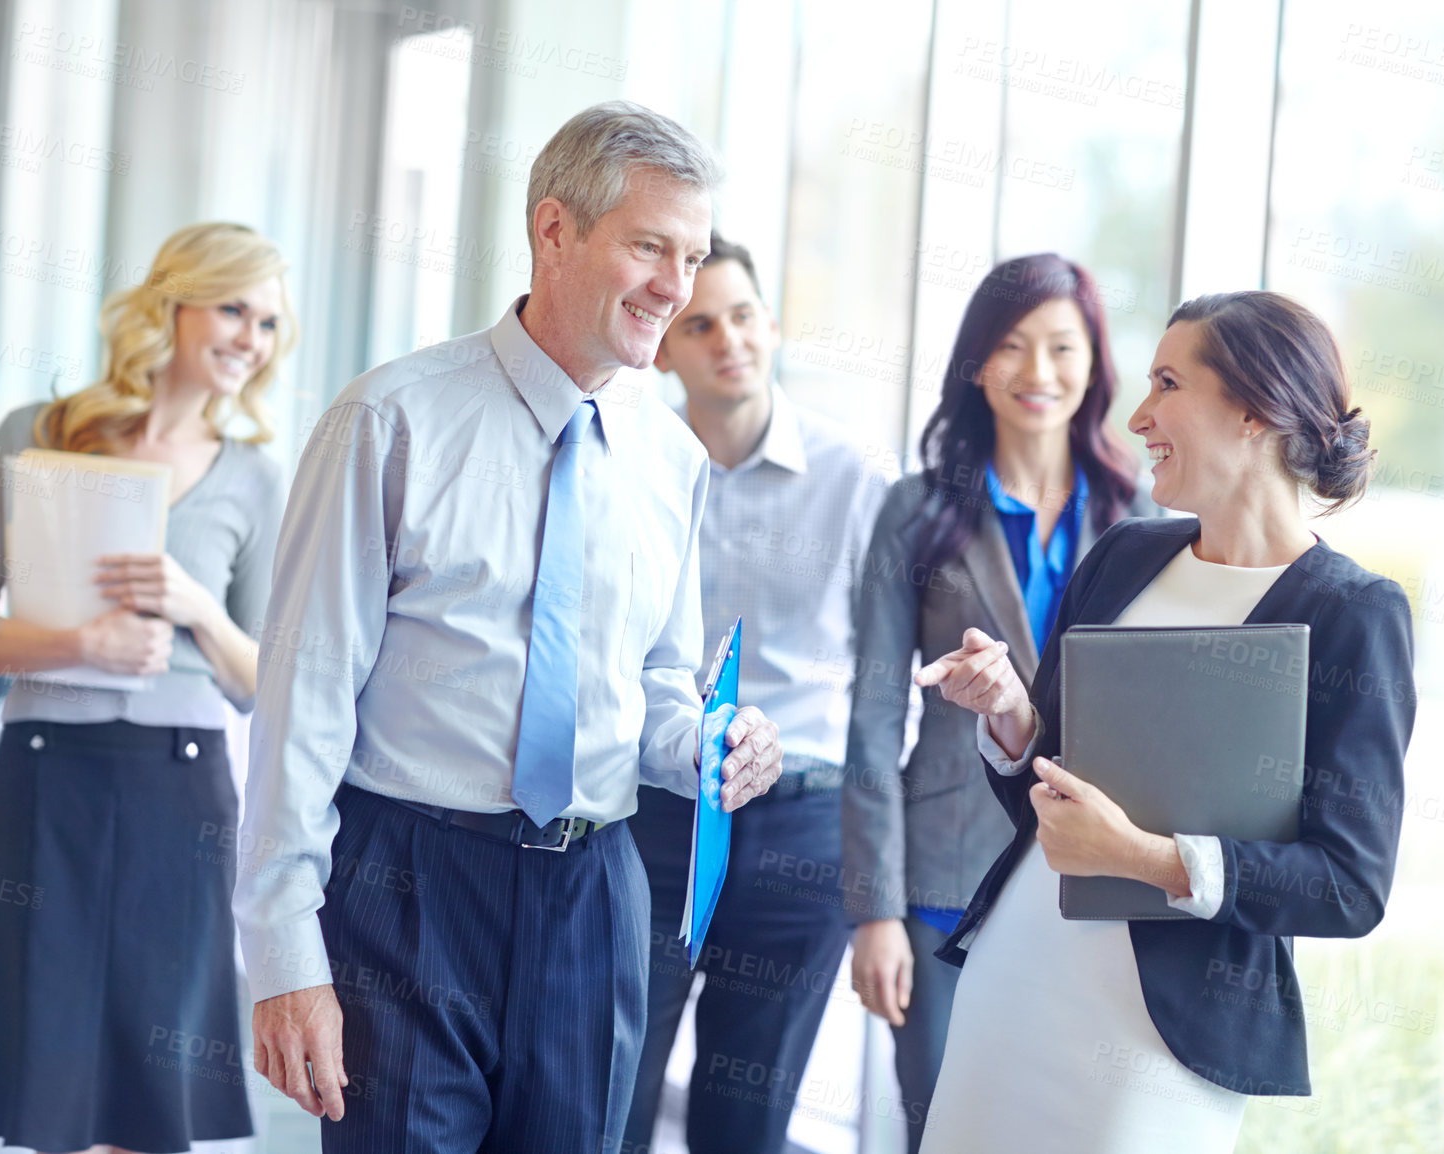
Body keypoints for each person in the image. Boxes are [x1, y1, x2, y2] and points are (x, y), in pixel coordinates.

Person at [232, 102, 785, 1154]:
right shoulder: (390, 420)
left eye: (694, 254)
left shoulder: (670, 460)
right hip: (407, 885)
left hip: (595, 892)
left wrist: (714, 741)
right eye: (649, 247)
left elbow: (660, 686)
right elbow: (303, 698)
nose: (677, 284)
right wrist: (284, 956)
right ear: (554, 232)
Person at [914, 290, 1417, 1152]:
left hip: (1161, 1038)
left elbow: (1349, 884)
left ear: (1255, 411)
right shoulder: (1123, 556)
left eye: (1168, 384)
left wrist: (1141, 859)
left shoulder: (1354, 615)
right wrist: (1009, 720)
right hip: (1017, 977)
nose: (1138, 415)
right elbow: (1056, 797)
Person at [843, 252, 1157, 1151]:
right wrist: (875, 910)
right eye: (1013, 347)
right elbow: (872, 721)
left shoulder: (1137, 518)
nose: (1039, 373)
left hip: (1092, 877)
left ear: (1095, 364)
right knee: (940, 1124)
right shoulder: (915, 511)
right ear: (976, 362)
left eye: (1063, 347)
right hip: (942, 878)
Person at [0, 222, 295, 1154]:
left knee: (153, 1071)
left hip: (182, 781)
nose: (253, 337)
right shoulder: (38, 436)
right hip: (48, 773)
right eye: (234, 308)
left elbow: (267, 685)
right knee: (45, 1050)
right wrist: (76, 641)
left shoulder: (255, 478)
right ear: (172, 304)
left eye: (271, 323)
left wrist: (199, 609)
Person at [622, 233, 886, 1153]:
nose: (727, 339)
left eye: (742, 317)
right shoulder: (631, 467)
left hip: (796, 832)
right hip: (653, 816)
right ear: (663, 349)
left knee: (744, 1119)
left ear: (770, 327)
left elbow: (894, 679)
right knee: (611, 1092)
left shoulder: (855, 479)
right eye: (699, 325)